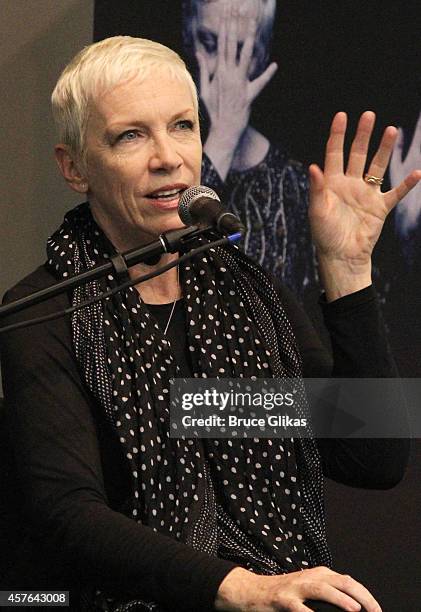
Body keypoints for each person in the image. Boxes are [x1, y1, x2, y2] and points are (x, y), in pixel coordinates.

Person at [0, 35, 419, 612]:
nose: (168, 156)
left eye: (183, 126)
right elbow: (69, 516)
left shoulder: (245, 292)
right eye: (131, 135)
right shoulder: (45, 312)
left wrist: (346, 270)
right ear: (74, 168)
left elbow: (373, 458)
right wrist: (240, 588)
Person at [182, 0, 318, 299]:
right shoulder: (158, 158)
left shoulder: (293, 184)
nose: (222, 68)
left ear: (262, 54)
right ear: (188, 36)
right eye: (209, 42)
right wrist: (224, 136)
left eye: (241, 51)